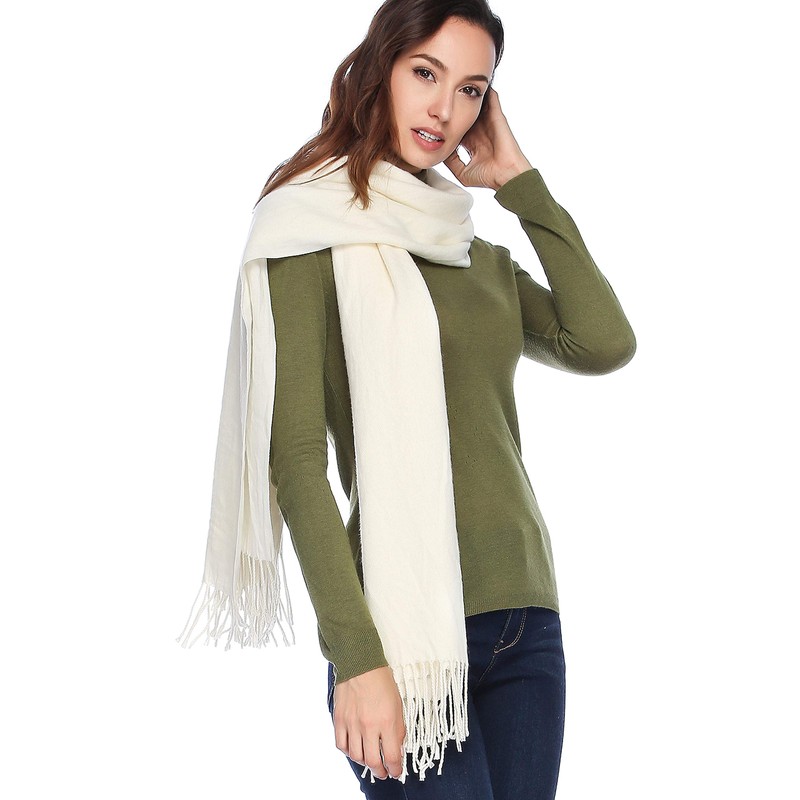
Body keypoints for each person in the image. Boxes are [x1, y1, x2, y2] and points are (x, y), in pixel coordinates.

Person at [179, 1, 636, 798]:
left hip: (526, 623)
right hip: (402, 636)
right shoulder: (306, 228)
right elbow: (296, 462)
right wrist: (356, 658)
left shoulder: (471, 251)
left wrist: (520, 185)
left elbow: (603, 342)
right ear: (381, 67)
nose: (443, 109)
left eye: (471, 90)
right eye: (426, 73)